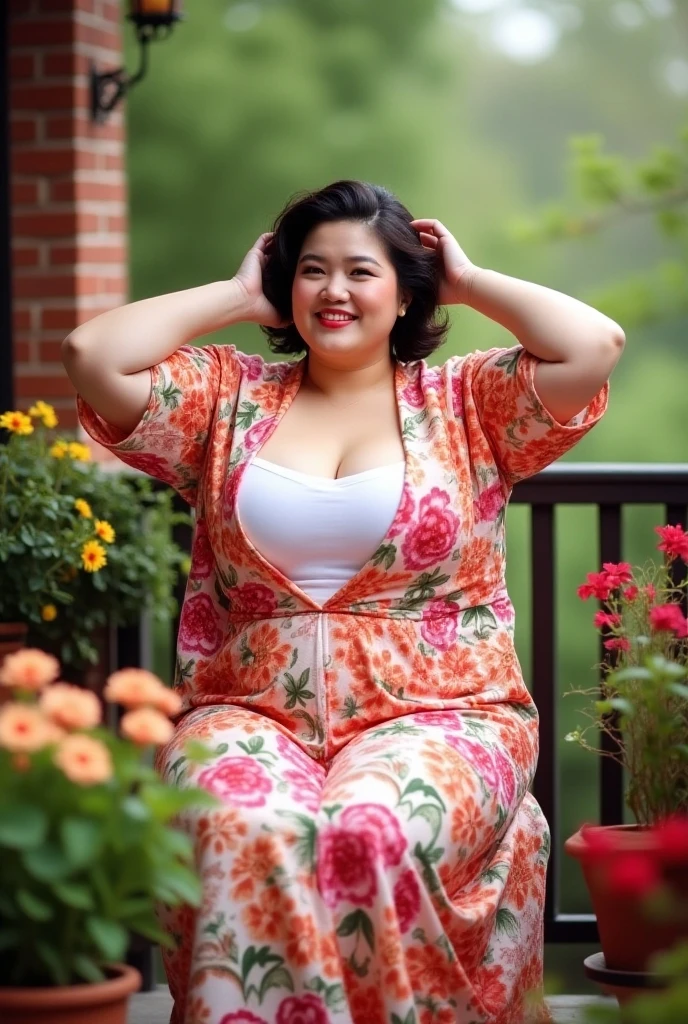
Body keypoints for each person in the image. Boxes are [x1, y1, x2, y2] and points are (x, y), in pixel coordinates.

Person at [62, 179, 624, 1024]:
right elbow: (90, 354)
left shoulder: (466, 403)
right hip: (249, 708)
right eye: (312, 270)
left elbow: (594, 344)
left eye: (362, 271)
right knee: (242, 827)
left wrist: (468, 282)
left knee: (373, 828)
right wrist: (233, 295)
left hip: (445, 712)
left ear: (404, 293)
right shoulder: (226, 397)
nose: (334, 291)